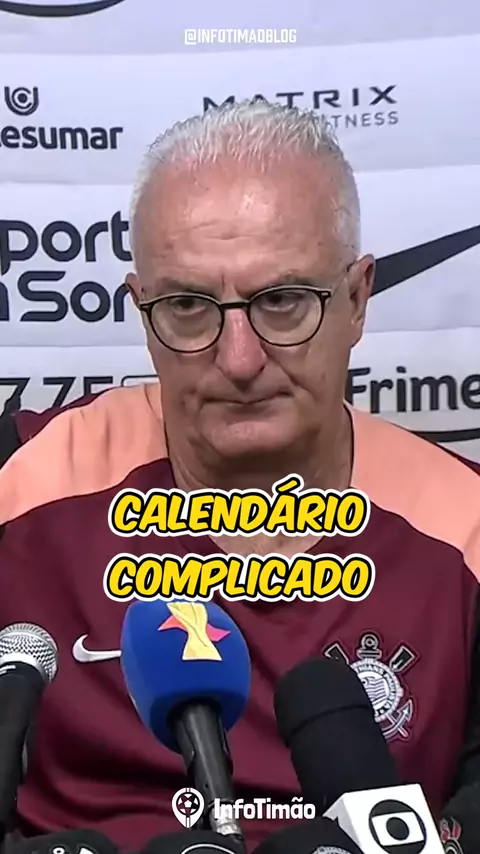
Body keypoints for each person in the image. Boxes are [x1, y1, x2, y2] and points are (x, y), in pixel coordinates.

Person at [0, 99, 479, 852]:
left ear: (358, 299)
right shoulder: (25, 476)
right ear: (142, 312)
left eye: (282, 302)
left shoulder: (465, 524)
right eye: (189, 307)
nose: (239, 359)